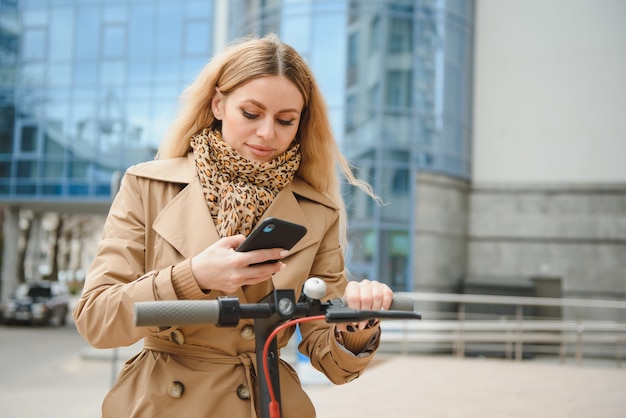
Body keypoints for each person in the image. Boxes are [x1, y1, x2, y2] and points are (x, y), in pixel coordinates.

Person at [73, 33, 394, 418]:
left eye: (285, 120)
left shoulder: (317, 210)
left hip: (262, 403)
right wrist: (192, 276)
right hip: (162, 402)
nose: (267, 133)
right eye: (251, 113)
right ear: (218, 104)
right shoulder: (147, 185)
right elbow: (96, 320)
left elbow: (330, 360)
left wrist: (356, 326)